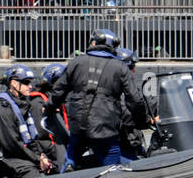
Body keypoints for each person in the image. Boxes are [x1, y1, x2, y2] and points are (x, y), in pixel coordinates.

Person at [48, 28, 149, 170]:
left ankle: (68, 169)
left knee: (73, 151)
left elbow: (59, 91)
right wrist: (142, 121)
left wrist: (49, 107)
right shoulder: (120, 67)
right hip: (105, 127)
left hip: (77, 124)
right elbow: (135, 99)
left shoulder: (77, 62)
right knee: (112, 158)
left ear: (93, 43)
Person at [0, 64, 55, 178]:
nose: (30, 86)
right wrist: (37, 159)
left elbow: (32, 138)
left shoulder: (22, 106)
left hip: (25, 157)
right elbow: (12, 144)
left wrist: (41, 156)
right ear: (14, 83)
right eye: (26, 82)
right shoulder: (1, 108)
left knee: (55, 168)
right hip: (10, 161)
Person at [115, 47, 156, 162]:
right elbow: (126, 114)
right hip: (121, 143)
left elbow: (139, 103)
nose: (134, 70)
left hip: (132, 142)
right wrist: (146, 120)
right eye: (131, 67)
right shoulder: (115, 88)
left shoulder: (128, 86)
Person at [28, 63, 68, 172]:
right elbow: (41, 136)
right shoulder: (38, 104)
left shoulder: (60, 102)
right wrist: (57, 151)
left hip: (62, 148)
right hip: (53, 153)